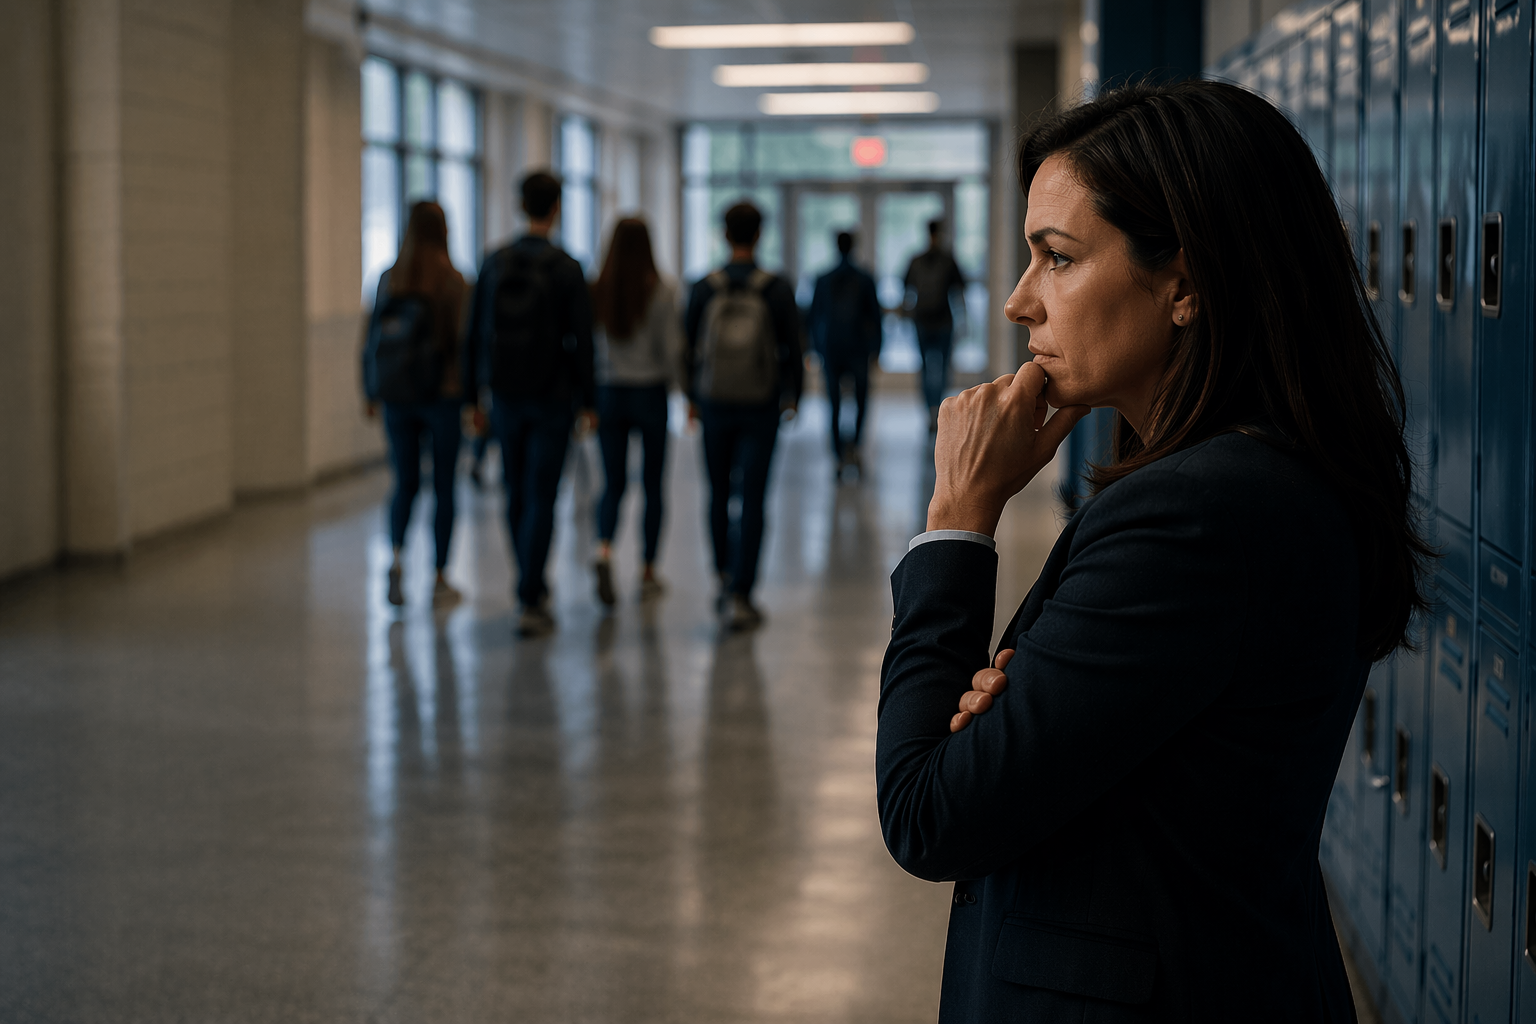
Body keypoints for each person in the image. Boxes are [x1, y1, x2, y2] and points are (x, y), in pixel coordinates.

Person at [876, 81, 1432, 1020]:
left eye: (1057, 258)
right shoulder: (1245, 480)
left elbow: (929, 813)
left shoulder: (1193, 518)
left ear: (1185, 283)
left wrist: (958, 518)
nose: (1020, 304)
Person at [464, 171, 596, 637]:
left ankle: (527, 580)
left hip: (504, 393)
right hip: (553, 396)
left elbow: (475, 333)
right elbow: (582, 340)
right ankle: (531, 591)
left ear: (521, 206)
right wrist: (589, 399)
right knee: (544, 493)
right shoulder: (566, 267)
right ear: (556, 208)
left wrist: (471, 397)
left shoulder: (495, 262)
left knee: (515, 492)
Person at [683, 201, 803, 631]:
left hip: (714, 400)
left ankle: (722, 574)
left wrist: (690, 396)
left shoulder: (704, 287)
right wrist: (793, 397)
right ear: (758, 235)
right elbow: (792, 345)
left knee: (718, 492)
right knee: (753, 497)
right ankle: (742, 592)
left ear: (724, 233)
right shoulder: (774, 287)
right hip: (761, 403)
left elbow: (687, 345)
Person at [362, 201, 470, 609]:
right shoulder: (454, 282)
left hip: (397, 395)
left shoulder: (389, 278)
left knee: (404, 482)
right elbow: (463, 343)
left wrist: (370, 391)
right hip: (442, 395)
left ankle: (396, 560)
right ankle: (441, 576)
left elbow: (370, 338)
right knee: (444, 486)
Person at [590, 217, 681, 606]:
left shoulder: (597, 289)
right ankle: (647, 570)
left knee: (612, 483)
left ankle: (605, 549)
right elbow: (671, 350)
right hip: (649, 393)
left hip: (608, 391)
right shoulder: (660, 290)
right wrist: (684, 390)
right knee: (652, 484)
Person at [807, 230, 882, 478]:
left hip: (831, 347)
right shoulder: (864, 277)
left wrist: (815, 348)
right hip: (858, 347)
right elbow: (875, 316)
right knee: (861, 400)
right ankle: (856, 446)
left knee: (834, 403)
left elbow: (814, 316)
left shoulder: (823, 278)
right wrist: (877, 348)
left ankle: (838, 452)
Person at [902, 220, 967, 433]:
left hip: (927, 320)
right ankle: (935, 410)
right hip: (937, 321)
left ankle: (933, 410)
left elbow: (907, 293)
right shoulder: (945, 260)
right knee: (938, 368)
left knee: (930, 369)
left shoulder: (919, 260)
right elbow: (958, 293)